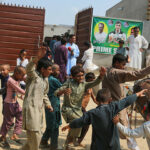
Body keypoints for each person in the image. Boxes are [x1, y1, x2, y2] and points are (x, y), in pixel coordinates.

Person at [62, 88, 147, 150]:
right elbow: (126, 101)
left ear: (97, 99)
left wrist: (70, 125)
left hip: (98, 146)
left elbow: (80, 121)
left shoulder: (92, 113)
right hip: (114, 146)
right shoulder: (114, 107)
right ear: (110, 100)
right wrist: (137, 94)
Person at [102, 53, 150, 150]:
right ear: (116, 63)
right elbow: (135, 74)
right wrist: (148, 69)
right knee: (128, 133)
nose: (124, 67)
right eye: (123, 65)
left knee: (112, 131)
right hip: (118, 107)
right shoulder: (115, 73)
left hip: (109, 107)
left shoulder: (107, 70)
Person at [54, 65, 106, 149]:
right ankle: (70, 142)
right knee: (78, 121)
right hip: (68, 109)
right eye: (78, 76)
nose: (81, 77)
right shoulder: (68, 83)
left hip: (78, 110)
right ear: (73, 77)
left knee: (78, 123)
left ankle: (68, 143)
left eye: (82, 75)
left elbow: (95, 82)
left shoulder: (84, 84)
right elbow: (56, 92)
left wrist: (101, 76)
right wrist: (63, 91)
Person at [22, 49, 53, 150]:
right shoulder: (34, 76)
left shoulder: (46, 80)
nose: (51, 72)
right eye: (49, 69)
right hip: (30, 109)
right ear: (42, 69)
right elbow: (29, 69)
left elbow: (45, 94)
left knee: (35, 136)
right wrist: (35, 60)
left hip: (38, 111)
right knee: (35, 135)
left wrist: (48, 104)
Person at [0, 66, 26, 149]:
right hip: (8, 104)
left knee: (20, 115)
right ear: (17, 73)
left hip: (15, 103)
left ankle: (15, 134)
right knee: (8, 122)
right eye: (22, 75)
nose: (23, 77)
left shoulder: (17, 79)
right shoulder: (10, 80)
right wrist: (28, 93)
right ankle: (3, 137)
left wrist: (21, 97)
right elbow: (19, 90)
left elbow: (16, 92)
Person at [40, 64, 62, 150]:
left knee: (50, 124)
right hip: (54, 105)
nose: (59, 72)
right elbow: (63, 87)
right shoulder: (53, 80)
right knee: (55, 126)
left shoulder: (46, 79)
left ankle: (44, 141)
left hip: (47, 105)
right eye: (57, 70)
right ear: (52, 71)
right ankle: (54, 146)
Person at [78, 72, 97, 145]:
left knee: (84, 125)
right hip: (80, 107)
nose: (93, 81)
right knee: (86, 125)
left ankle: (78, 140)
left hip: (83, 108)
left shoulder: (90, 87)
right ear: (88, 79)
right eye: (91, 80)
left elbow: (94, 99)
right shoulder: (84, 86)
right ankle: (78, 141)